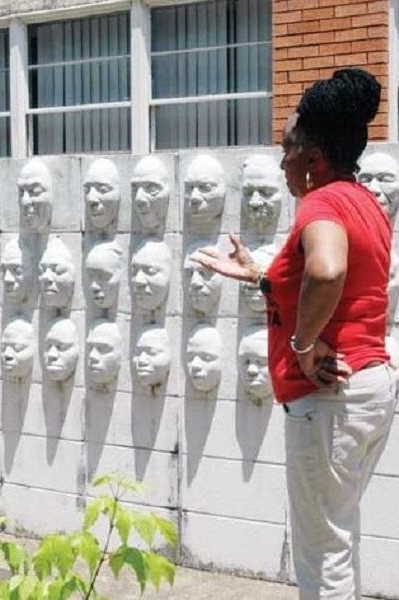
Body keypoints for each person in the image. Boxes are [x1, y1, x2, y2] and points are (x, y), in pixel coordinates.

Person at [193, 68, 395, 600]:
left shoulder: (321, 202)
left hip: (330, 401)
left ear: (312, 159)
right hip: (369, 389)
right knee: (338, 538)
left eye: (287, 149)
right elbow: (335, 284)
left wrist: (303, 349)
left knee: (321, 558)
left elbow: (326, 272)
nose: (281, 161)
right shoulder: (366, 203)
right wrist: (261, 276)